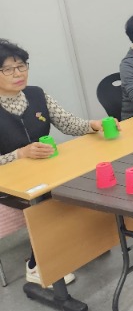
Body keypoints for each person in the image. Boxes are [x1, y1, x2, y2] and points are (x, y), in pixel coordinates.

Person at [0, 39, 120, 286]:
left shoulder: (36, 94)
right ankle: (37, 265)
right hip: (10, 182)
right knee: (49, 200)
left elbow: (68, 123)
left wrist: (92, 125)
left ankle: (84, 243)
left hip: (46, 169)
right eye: (8, 69)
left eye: (22, 66)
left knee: (86, 180)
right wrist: (20, 154)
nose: (18, 74)